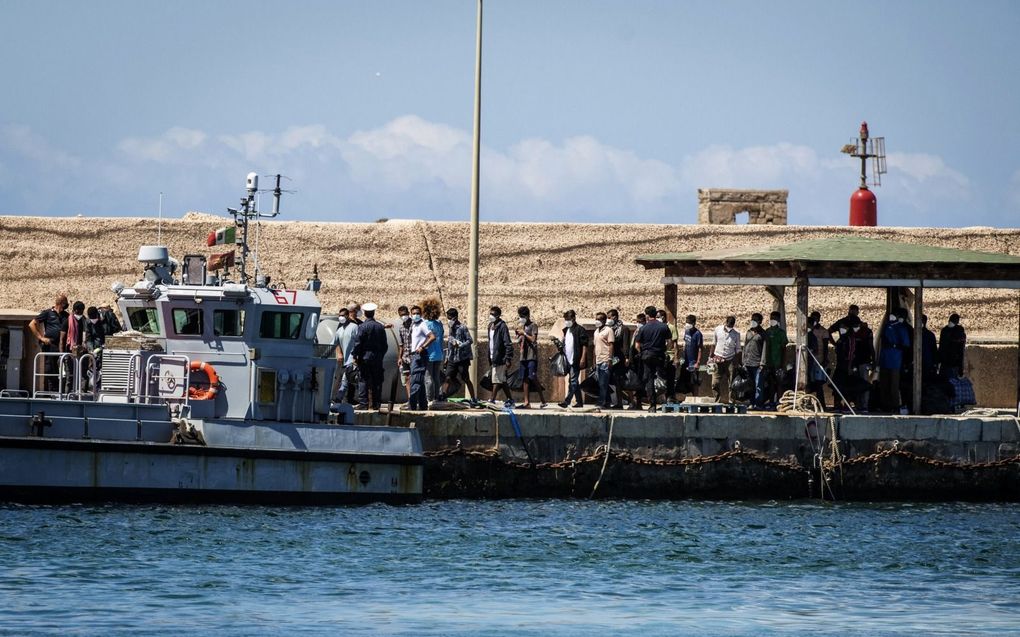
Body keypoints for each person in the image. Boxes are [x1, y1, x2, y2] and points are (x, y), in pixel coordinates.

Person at [28, 294, 69, 393]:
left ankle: (61, 391)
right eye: (64, 305)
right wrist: (41, 338)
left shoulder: (66, 315)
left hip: (62, 346)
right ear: (59, 304)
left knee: (63, 369)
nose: (65, 307)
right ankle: (50, 392)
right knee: (50, 368)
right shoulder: (47, 313)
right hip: (50, 346)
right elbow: (31, 324)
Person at [634, 305, 671, 412]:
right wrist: (664, 350)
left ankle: (652, 405)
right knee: (663, 377)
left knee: (649, 380)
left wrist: (642, 353)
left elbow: (637, 345)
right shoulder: (663, 327)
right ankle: (665, 400)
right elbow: (669, 342)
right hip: (659, 355)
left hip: (647, 356)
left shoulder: (643, 328)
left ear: (646, 315)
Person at [353, 302, 387, 410]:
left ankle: (363, 403)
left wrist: (355, 355)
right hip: (377, 357)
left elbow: (358, 343)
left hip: (365, 357)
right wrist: (380, 355)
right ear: (373, 313)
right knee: (377, 380)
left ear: (364, 313)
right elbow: (385, 345)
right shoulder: (380, 327)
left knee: (363, 379)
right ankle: (376, 403)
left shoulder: (362, 327)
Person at [879, 308, 911, 413]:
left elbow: (906, 345)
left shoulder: (902, 328)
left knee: (894, 386)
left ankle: (895, 406)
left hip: (895, 362)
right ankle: (884, 405)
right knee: (884, 384)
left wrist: (894, 345)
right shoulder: (887, 326)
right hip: (884, 361)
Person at [442, 307, 477, 404]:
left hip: (462, 358)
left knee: (466, 379)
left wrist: (461, 345)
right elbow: (449, 344)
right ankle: (443, 396)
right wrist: (447, 358)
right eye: (448, 318)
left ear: (455, 318)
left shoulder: (462, 327)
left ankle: (473, 398)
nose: (449, 320)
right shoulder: (450, 328)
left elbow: (470, 340)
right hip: (452, 358)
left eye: (450, 318)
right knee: (448, 377)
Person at [514, 306, 546, 409]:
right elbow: (519, 341)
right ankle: (526, 402)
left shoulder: (533, 326)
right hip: (523, 356)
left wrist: (524, 333)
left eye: (522, 316)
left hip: (531, 356)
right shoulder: (522, 327)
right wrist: (519, 335)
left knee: (532, 377)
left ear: (527, 316)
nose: (521, 318)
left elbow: (533, 339)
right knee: (525, 379)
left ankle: (542, 399)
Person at [558, 309, 589, 409]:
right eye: (565, 319)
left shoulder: (580, 330)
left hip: (576, 359)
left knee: (573, 381)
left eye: (568, 319)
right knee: (573, 382)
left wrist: (583, 358)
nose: (567, 321)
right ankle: (579, 402)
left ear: (574, 319)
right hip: (568, 360)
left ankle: (567, 401)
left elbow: (585, 345)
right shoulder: (566, 330)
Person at [407, 305, 433, 410]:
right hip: (414, 355)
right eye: (413, 313)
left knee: (415, 381)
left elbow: (432, 337)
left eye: (417, 313)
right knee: (420, 382)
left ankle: (412, 406)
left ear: (421, 314)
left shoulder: (422, 324)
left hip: (419, 355)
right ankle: (423, 405)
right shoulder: (413, 325)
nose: (415, 315)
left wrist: (422, 347)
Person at [487, 306, 514, 403]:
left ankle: (492, 399)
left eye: (493, 314)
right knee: (502, 380)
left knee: (496, 379)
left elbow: (508, 343)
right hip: (493, 357)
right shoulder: (490, 326)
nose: (491, 316)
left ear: (498, 315)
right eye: (490, 314)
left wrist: (508, 358)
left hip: (500, 358)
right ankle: (510, 399)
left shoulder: (502, 326)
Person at [711, 316, 741, 403]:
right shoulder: (717, 330)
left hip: (730, 360)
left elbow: (738, 349)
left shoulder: (736, 334)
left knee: (732, 382)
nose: (730, 326)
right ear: (726, 322)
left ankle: (731, 400)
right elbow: (714, 343)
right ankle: (717, 400)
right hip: (718, 359)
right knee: (715, 383)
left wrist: (737, 361)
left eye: (732, 325)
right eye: (729, 324)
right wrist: (711, 357)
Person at [332, 306, 359, 404]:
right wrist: (338, 353)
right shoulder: (339, 330)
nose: (341, 317)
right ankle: (341, 399)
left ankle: (338, 398)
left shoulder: (354, 327)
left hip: (352, 359)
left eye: (343, 315)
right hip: (345, 361)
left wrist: (356, 357)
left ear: (348, 316)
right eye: (339, 316)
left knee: (346, 380)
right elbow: (334, 343)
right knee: (347, 380)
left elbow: (359, 342)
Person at [761, 311, 788, 408]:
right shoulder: (767, 332)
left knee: (779, 383)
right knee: (770, 383)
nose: (772, 320)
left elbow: (784, 349)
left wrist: (783, 363)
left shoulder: (781, 333)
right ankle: (771, 401)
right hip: (768, 362)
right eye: (771, 318)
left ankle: (779, 401)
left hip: (778, 362)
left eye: (774, 319)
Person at [421, 297, 445, 404]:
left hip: (429, 354)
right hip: (439, 354)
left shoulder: (425, 324)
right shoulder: (439, 324)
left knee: (428, 377)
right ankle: (436, 397)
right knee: (436, 377)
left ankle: (429, 399)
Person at [806, 311, 831, 406]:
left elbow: (825, 347)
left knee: (818, 383)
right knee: (808, 382)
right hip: (808, 361)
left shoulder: (823, 331)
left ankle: (822, 404)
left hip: (818, 360)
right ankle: (806, 402)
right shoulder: (807, 332)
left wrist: (825, 359)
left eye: (816, 318)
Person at [607, 308, 630, 409]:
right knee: (614, 380)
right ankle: (617, 401)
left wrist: (626, 357)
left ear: (615, 317)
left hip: (620, 359)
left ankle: (627, 401)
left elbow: (625, 345)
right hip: (612, 357)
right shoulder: (609, 329)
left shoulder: (624, 329)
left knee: (621, 380)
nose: (608, 319)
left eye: (609, 317)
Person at [655, 308, 678, 403]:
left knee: (670, 378)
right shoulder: (657, 327)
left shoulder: (671, 327)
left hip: (670, 357)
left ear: (663, 317)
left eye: (658, 317)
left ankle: (670, 398)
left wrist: (676, 357)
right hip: (660, 356)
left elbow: (675, 343)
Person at [592, 311, 615, 409]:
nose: (597, 321)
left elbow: (611, 345)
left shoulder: (608, 330)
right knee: (601, 383)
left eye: (599, 319)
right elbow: (595, 346)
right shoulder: (596, 331)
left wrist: (610, 359)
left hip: (605, 359)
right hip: (598, 360)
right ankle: (607, 401)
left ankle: (602, 402)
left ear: (604, 320)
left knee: (603, 382)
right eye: (596, 319)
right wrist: (593, 360)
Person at [742, 312, 766, 407]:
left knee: (758, 385)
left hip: (757, 364)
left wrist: (762, 363)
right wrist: (743, 360)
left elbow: (765, 348)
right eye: (752, 319)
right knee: (750, 385)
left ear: (760, 322)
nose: (753, 322)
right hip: (748, 363)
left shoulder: (763, 334)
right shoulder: (748, 332)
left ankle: (758, 403)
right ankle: (751, 402)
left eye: (755, 320)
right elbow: (745, 347)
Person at [627, 313, 647, 409]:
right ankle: (635, 402)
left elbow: (639, 346)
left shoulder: (643, 331)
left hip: (640, 360)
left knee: (638, 382)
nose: (638, 324)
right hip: (634, 360)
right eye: (637, 322)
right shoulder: (636, 331)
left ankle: (637, 402)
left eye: (640, 322)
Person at [681, 315, 704, 397]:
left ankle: (695, 398)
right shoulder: (686, 331)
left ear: (694, 323)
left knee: (694, 381)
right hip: (685, 361)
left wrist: (698, 362)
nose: (687, 324)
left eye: (689, 323)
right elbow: (685, 344)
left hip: (693, 362)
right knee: (684, 380)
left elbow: (700, 349)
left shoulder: (698, 334)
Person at [938, 312, 966, 379]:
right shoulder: (959, 330)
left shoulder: (944, 330)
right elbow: (961, 351)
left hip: (944, 364)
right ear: (957, 321)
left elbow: (941, 348)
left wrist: (938, 362)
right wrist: (961, 369)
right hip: (954, 364)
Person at [396, 306, 413, 399]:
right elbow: (401, 344)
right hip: (405, 357)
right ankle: (410, 398)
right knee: (406, 378)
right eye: (402, 315)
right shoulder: (401, 328)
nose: (404, 316)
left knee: (414, 377)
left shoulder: (415, 325)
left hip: (414, 356)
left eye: (405, 314)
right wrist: (400, 357)